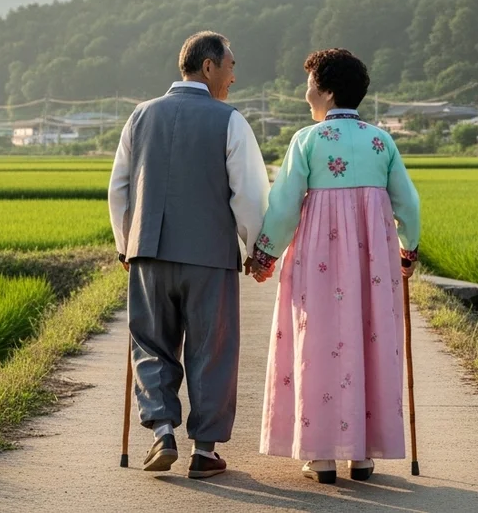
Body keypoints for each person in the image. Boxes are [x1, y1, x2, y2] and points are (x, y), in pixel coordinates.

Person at [248, 48, 421, 484]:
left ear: (325, 90)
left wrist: (265, 254)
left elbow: (285, 206)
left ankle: (321, 456)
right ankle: (362, 456)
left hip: (318, 260)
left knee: (318, 342)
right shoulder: (381, 140)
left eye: (309, 83)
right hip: (372, 262)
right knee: (370, 338)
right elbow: (409, 204)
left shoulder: (307, 141)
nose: (305, 92)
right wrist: (408, 249)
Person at [108, 31, 270, 479]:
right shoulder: (229, 121)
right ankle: (203, 450)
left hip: (148, 253)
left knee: (150, 342)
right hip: (208, 256)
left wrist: (126, 243)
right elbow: (250, 196)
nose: (234, 76)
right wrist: (257, 250)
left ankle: (161, 430)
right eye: (231, 66)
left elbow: (119, 188)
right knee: (211, 348)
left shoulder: (139, 117)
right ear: (208, 67)